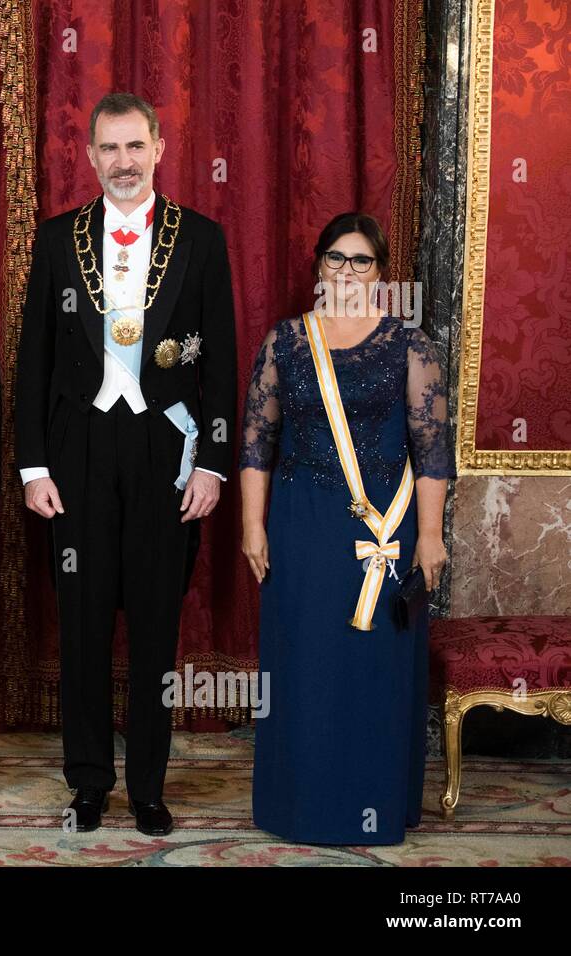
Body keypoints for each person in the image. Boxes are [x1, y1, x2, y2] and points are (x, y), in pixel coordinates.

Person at [15, 93, 237, 835]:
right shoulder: (56, 241)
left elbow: (224, 364)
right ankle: (87, 784)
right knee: (80, 629)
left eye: (135, 146)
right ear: (89, 156)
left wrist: (213, 464)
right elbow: (33, 362)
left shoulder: (201, 240)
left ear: (160, 147)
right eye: (108, 149)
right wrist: (31, 467)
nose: (123, 162)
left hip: (164, 453)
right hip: (77, 454)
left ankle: (147, 785)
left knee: (153, 628)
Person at [240, 211, 451, 845]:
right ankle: (300, 805)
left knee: (372, 665)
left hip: (383, 527)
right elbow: (256, 443)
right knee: (305, 663)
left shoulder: (412, 347)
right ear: (319, 267)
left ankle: (371, 802)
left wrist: (432, 536)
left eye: (361, 261)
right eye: (336, 258)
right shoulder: (286, 342)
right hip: (302, 527)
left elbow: (433, 453)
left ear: (381, 272)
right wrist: (254, 525)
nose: (348, 271)